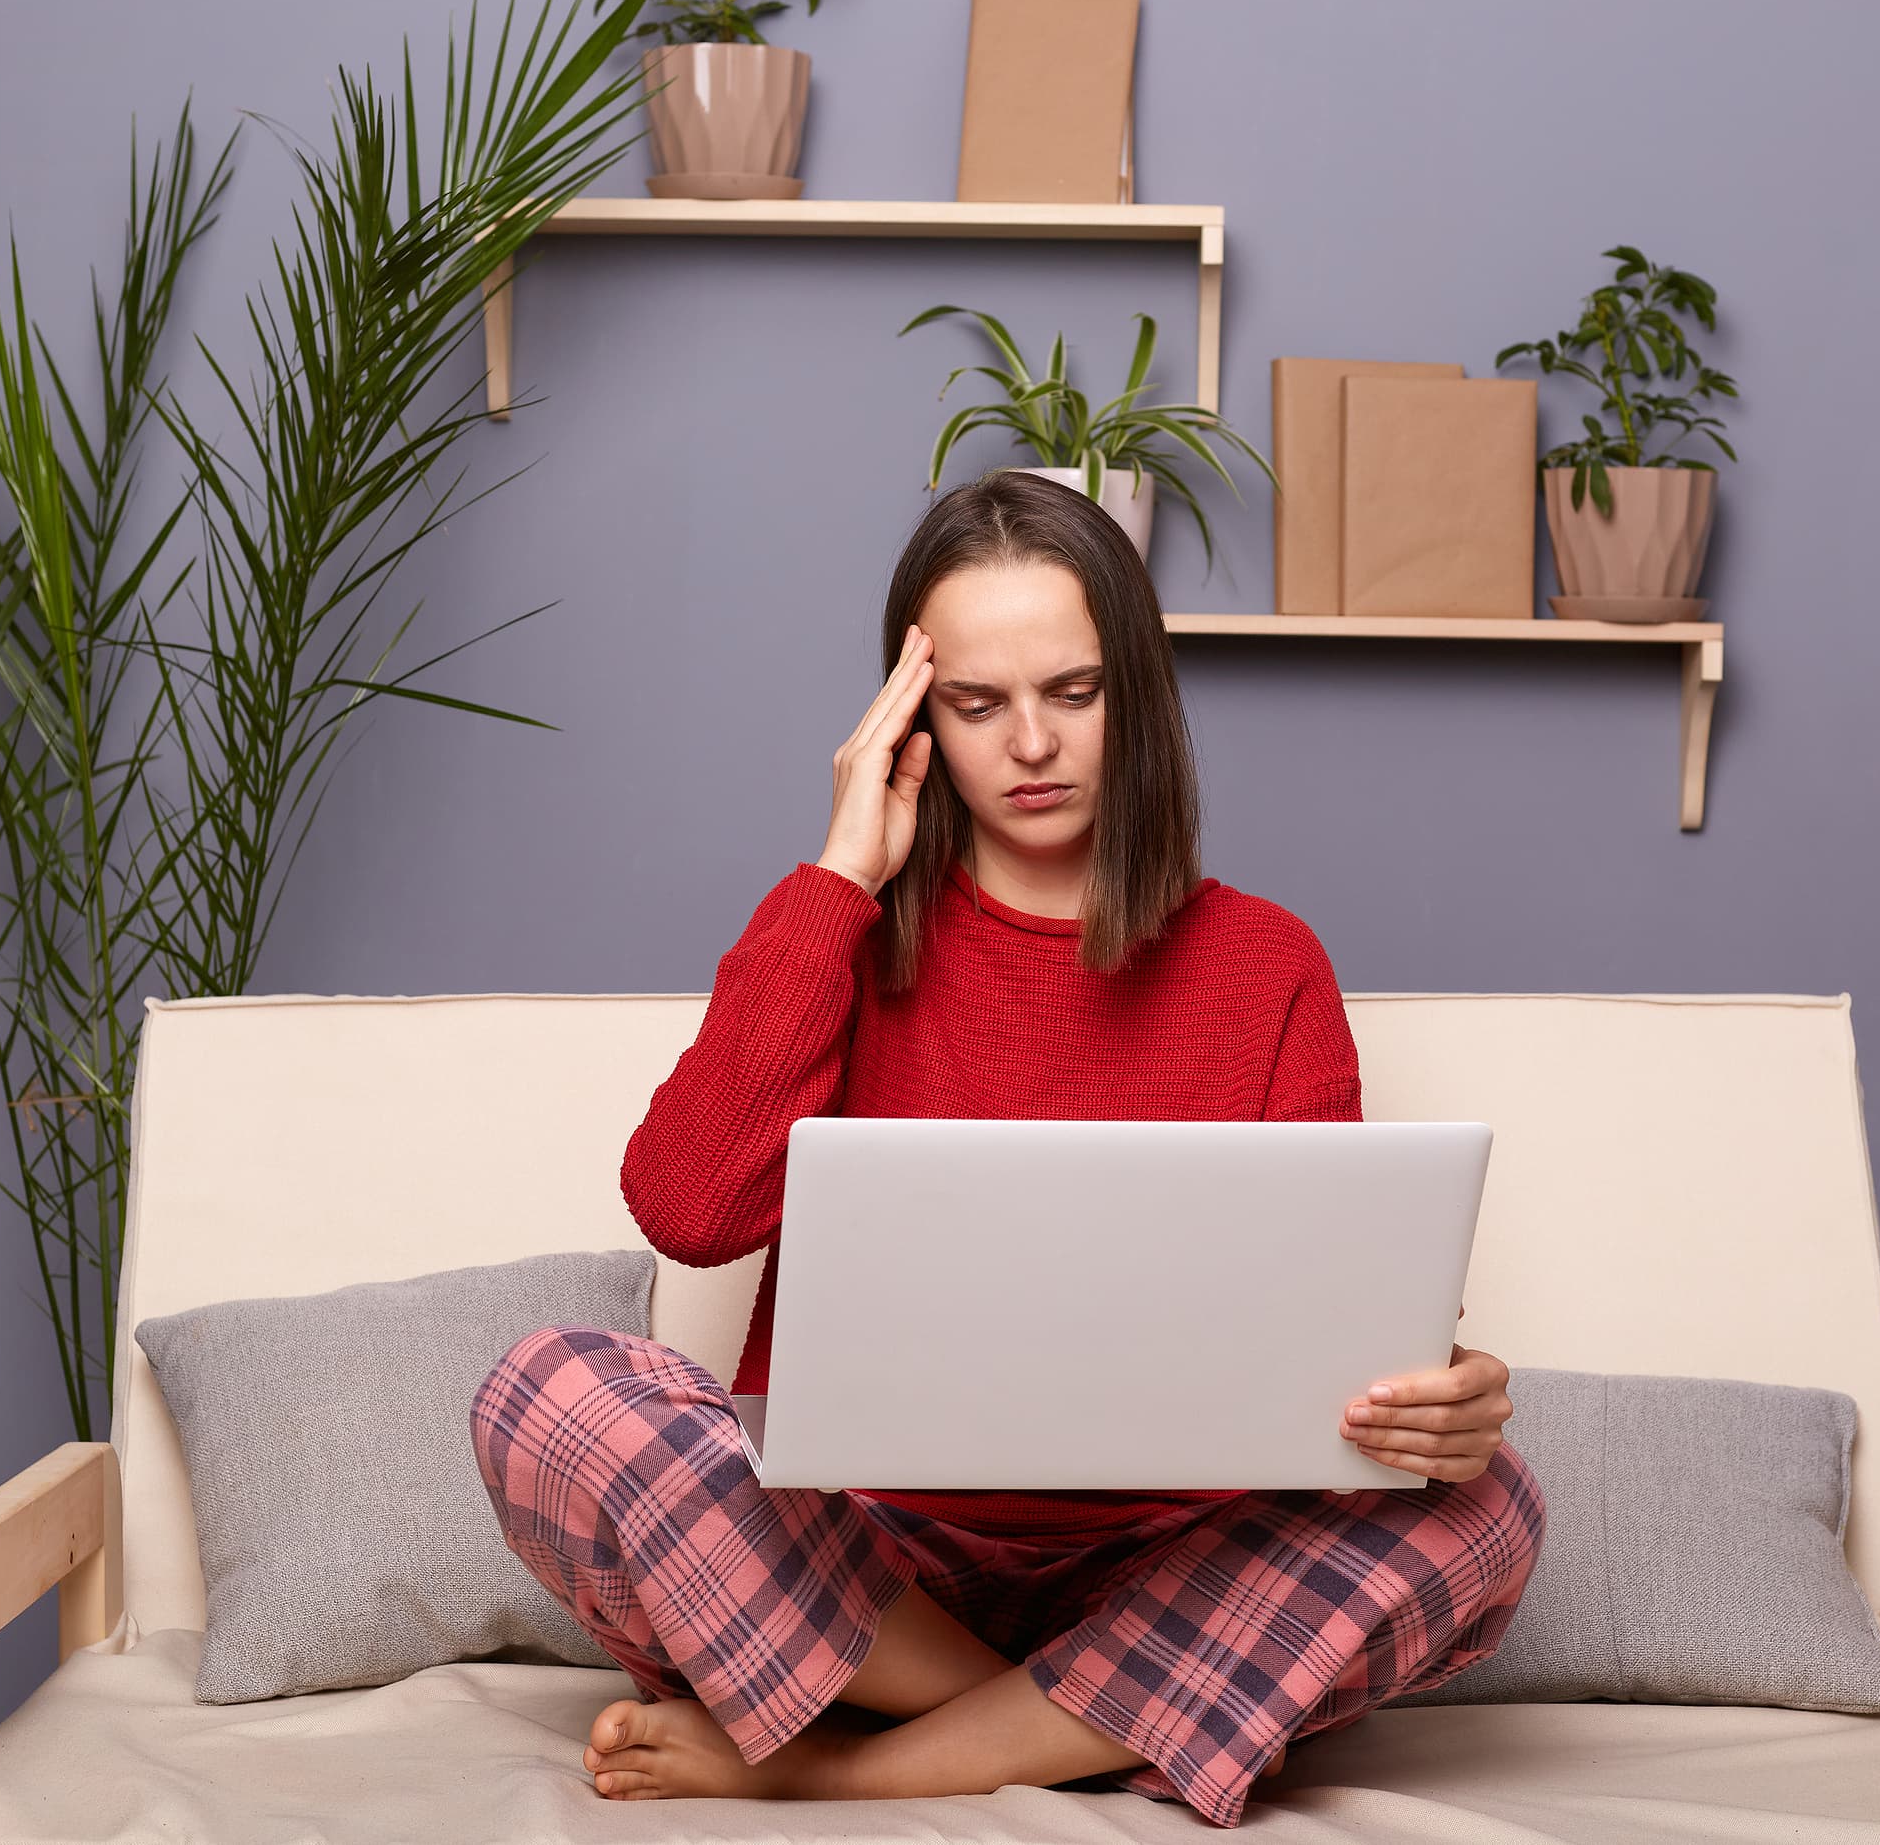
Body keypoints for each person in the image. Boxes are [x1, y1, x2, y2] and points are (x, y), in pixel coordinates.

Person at [470, 471, 1542, 1828]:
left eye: (1075, 694)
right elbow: (688, 1208)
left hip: (1171, 1570)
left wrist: (1439, 1404)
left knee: (1486, 1507)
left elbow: (1335, 1338)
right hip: (866, 1568)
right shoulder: (840, 938)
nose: (1031, 744)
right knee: (547, 1391)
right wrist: (840, 876)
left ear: (1137, 696)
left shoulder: (1268, 962)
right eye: (977, 705)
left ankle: (847, 1762)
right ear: (911, 721)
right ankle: (1073, 1720)